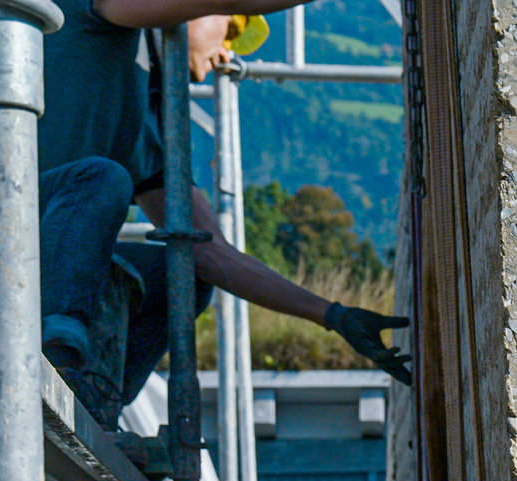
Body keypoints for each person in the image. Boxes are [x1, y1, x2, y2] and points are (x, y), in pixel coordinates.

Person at [38, 0, 408, 428]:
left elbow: (211, 254)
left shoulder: (144, 119)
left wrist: (332, 315)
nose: (228, 54)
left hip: (42, 257)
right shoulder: (99, 13)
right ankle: (57, 358)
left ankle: (94, 400)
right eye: (230, 31)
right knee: (102, 180)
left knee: (179, 273)